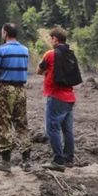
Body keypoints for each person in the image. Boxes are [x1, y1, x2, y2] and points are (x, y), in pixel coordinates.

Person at [0, 23, 31, 172]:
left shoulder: (1, 50)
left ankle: (6, 161)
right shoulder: (25, 50)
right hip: (21, 89)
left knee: (4, 122)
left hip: (6, 88)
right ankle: (27, 160)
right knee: (22, 123)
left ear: (5, 33)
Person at [38, 27, 78, 171]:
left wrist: (48, 71)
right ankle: (69, 158)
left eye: (50, 38)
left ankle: (58, 160)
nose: (50, 41)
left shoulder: (50, 54)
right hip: (69, 97)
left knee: (52, 128)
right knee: (67, 130)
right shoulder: (70, 54)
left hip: (56, 96)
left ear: (55, 39)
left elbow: (39, 70)